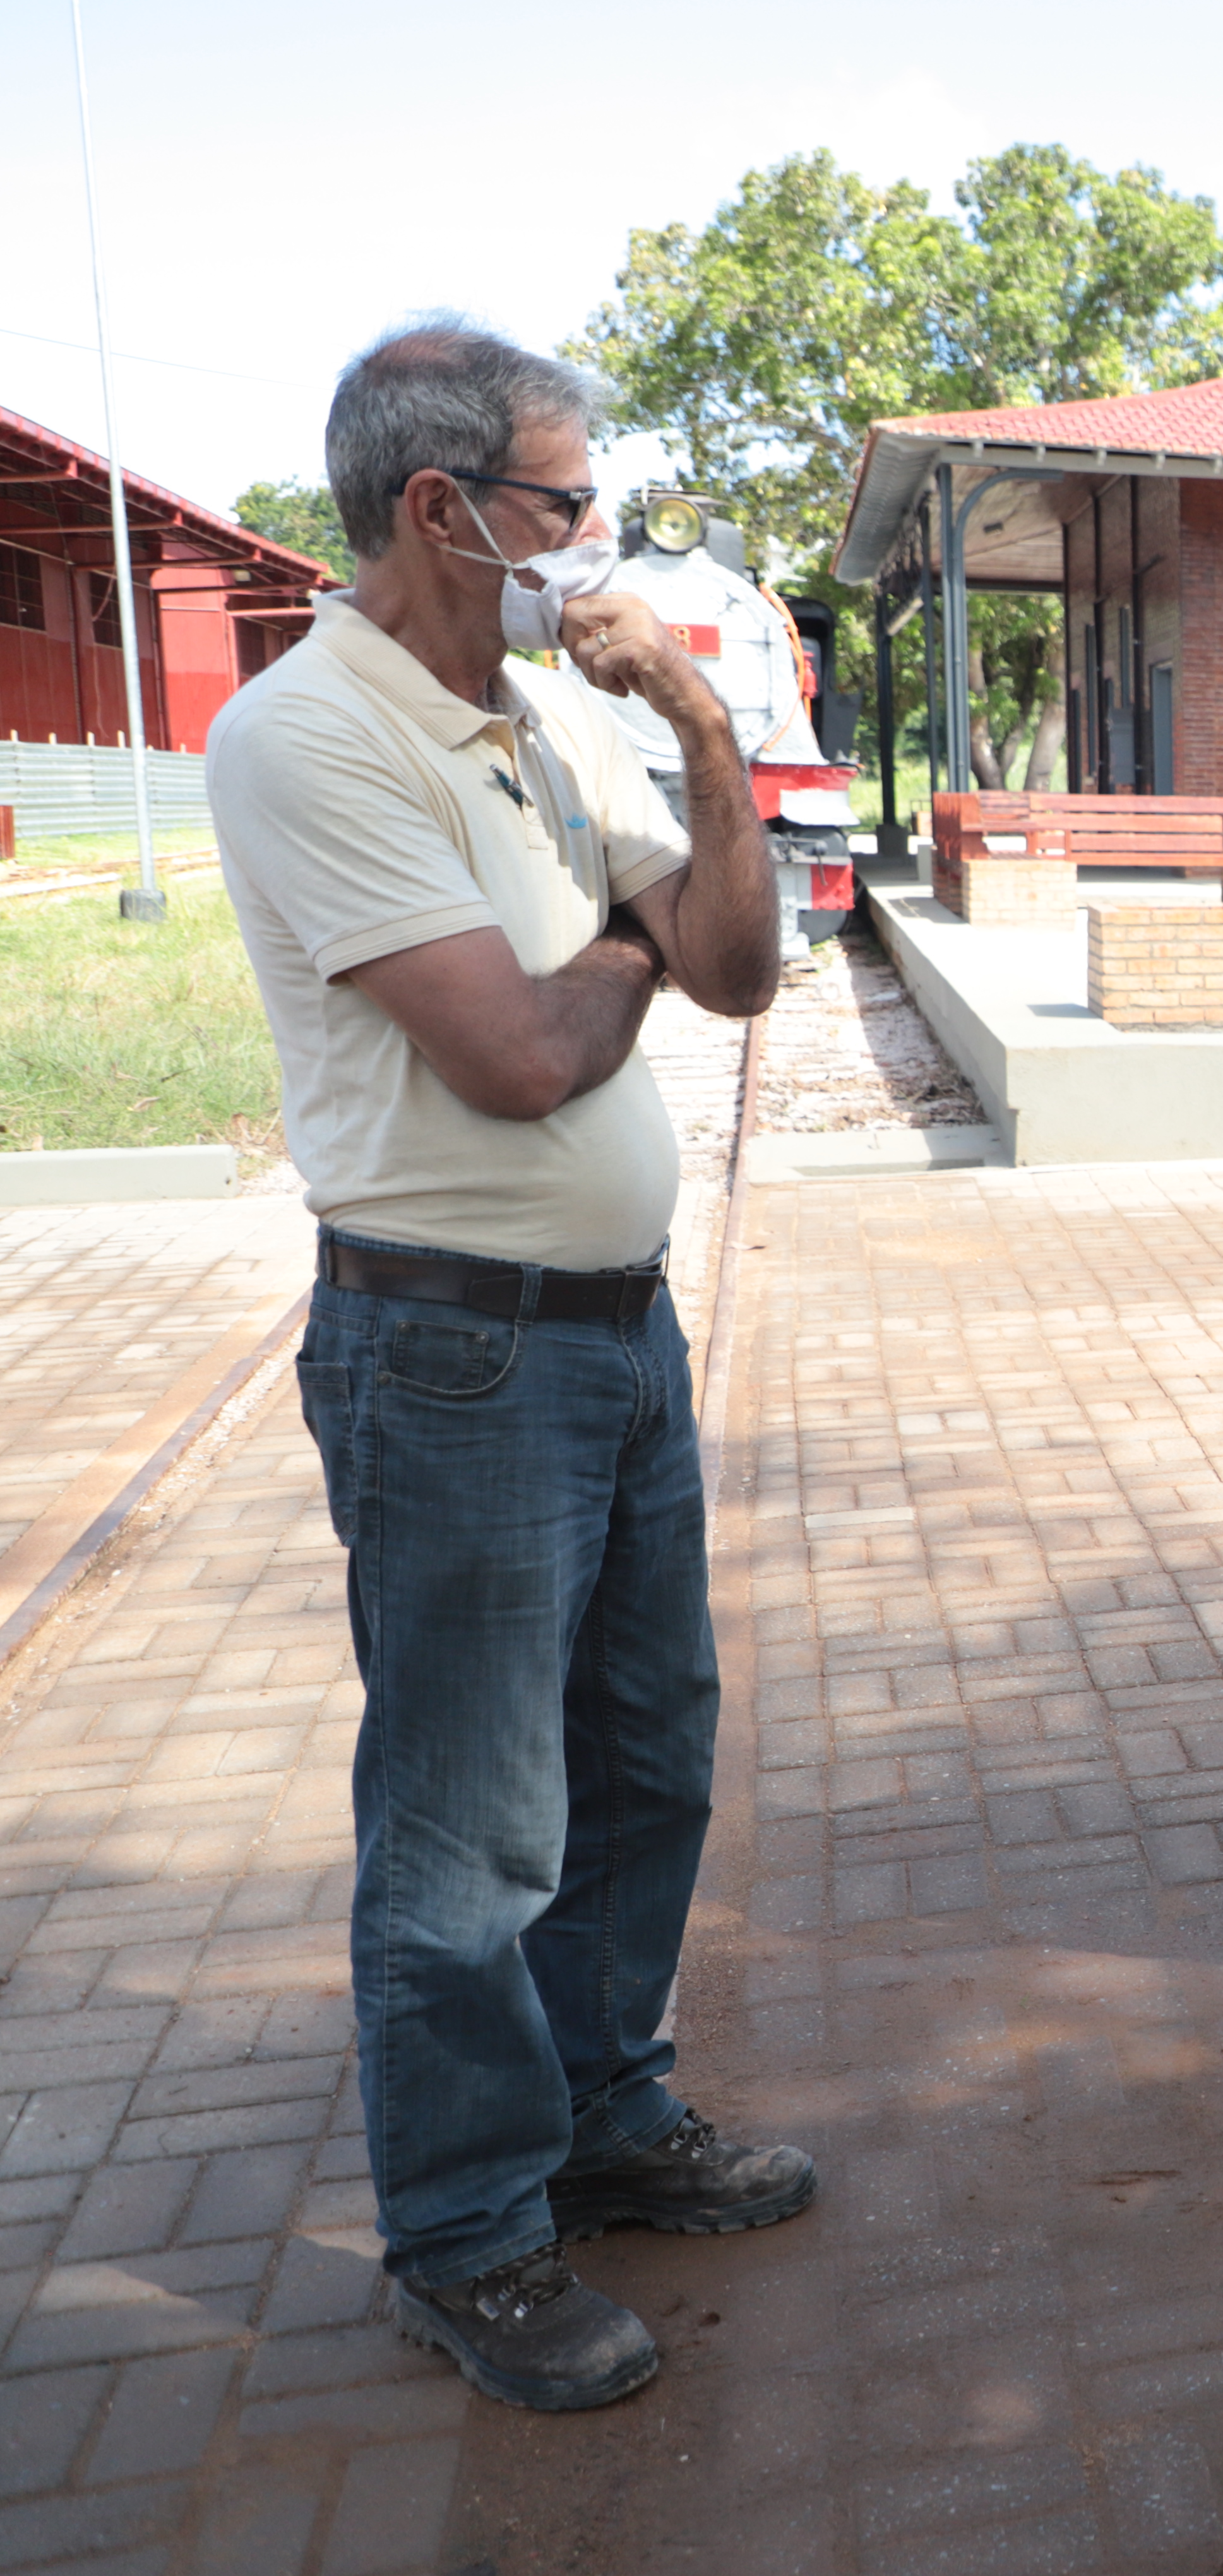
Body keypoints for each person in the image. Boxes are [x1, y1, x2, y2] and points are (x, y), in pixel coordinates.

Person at [206, 323, 816, 2412]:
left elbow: (735, 969)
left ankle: (605, 2115)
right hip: (452, 1355)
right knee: (469, 1830)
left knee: (646, 1757)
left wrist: (706, 735)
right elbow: (528, 1044)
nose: (596, 542)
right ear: (444, 512)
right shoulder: (312, 739)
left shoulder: (540, 726)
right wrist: (633, 936)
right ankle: (471, 2232)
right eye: (567, 503)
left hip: (613, 1340)